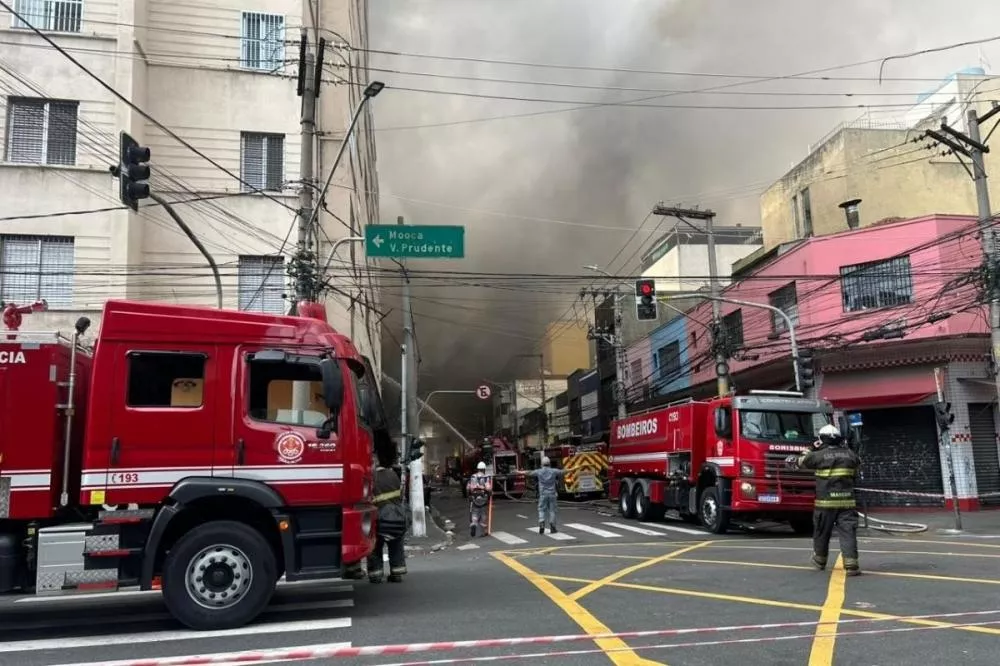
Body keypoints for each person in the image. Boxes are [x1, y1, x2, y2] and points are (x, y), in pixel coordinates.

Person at [792, 424, 862, 576]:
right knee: (848, 532)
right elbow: (857, 468)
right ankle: (851, 563)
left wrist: (811, 448)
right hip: (847, 503)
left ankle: (820, 560)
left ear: (822, 439)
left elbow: (799, 462)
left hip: (825, 503)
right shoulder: (850, 455)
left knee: (821, 532)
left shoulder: (818, 455)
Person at [367, 450, 407, 583]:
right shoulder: (393, 475)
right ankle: (397, 572)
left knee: (375, 547)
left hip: (378, 518)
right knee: (396, 545)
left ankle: (376, 575)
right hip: (397, 517)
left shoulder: (371, 477)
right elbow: (400, 496)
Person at [517, 456, 566, 534]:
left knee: (541, 509)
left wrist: (518, 472)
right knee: (552, 510)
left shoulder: (539, 471)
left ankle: (542, 523)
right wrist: (576, 468)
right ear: (549, 463)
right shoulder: (553, 471)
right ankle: (552, 526)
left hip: (543, 494)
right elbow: (563, 471)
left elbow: (528, 472)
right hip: (552, 494)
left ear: (542, 464)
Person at [467, 461, 492, 537]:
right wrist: (490, 492)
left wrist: (469, 495)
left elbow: (468, 487)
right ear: (484, 469)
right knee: (483, 513)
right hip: (483, 497)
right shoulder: (486, 477)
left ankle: (474, 523)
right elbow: (488, 488)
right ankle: (483, 532)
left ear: (478, 469)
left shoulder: (473, 476)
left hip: (474, 498)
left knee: (475, 512)